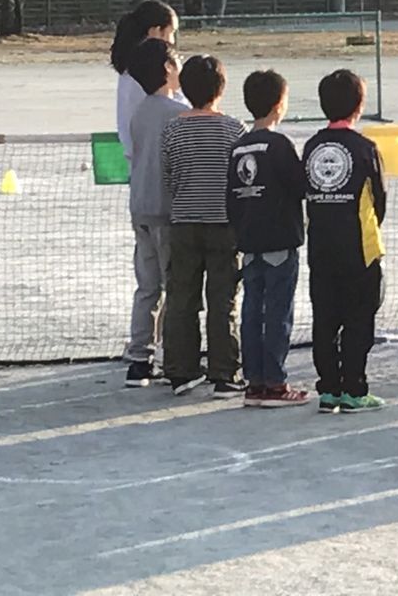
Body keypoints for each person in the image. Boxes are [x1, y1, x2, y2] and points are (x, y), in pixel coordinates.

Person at [161, 55, 246, 397]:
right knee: (222, 300)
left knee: (181, 298)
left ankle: (181, 370)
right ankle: (224, 372)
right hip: (224, 223)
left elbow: (168, 176)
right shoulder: (234, 130)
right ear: (221, 89)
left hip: (183, 222)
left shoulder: (172, 130)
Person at [305, 69, 389, 414]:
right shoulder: (366, 148)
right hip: (359, 249)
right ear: (359, 106)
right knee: (359, 319)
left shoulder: (312, 146)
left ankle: (328, 389)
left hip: (320, 247)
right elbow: (380, 198)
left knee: (324, 319)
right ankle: (354, 389)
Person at [227, 70, 310, 409]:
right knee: (278, 311)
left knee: (251, 309)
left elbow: (231, 198)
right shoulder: (279, 145)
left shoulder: (238, 147)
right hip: (279, 240)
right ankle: (275, 382)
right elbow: (300, 186)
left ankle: (255, 381)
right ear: (279, 105)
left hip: (249, 242)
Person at [123, 38, 188, 387]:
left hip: (140, 207)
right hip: (165, 210)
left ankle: (139, 358)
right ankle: (174, 357)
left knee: (147, 287)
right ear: (167, 68)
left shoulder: (140, 112)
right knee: (175, 287)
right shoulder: (177, 113)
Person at [111, 0, 179, 162]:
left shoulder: (129, 71)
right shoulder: (146, 73)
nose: (173, 40)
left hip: (139, 160)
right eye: (171, 32)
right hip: (154, 160)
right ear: (155, 31)